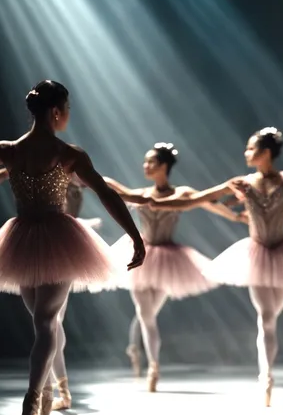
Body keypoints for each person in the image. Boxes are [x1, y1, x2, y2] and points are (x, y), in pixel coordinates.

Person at [0, 80, 144, 415]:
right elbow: (105, 193)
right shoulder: (69, 154)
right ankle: (46, 393)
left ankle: (33, 396)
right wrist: (134, 236)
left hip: (37, 238)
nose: (69, 113)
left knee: (44, 321)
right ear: (56, 111)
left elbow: (106, 193)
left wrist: (135, 235)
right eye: (68, 107)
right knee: (47, 323)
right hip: (38, 239)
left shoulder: (10, 150)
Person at [146, 127, 283, 406]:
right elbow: (197, 199)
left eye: (251, 148)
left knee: (272, 316)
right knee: (265, 318)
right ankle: (266, 377)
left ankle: (267, 373)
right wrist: (148, 201)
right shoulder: (243, 183)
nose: (246, 153)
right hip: (256, 254)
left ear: (266, 153)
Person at [102, 143, 241, 391]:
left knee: (148, 314)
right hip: (142, 254)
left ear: (164, 166)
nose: (145, 166)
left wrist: (236, 216)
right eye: (145, 162)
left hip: (168, 259)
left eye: (151, 162)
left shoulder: (183, 193)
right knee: (145, 314)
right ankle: (154, 366)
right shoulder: (142, 193)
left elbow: (207, 202)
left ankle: (134, 347)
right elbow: (114, 189)